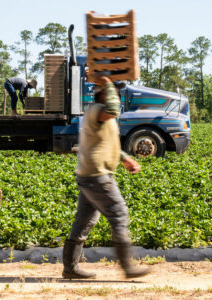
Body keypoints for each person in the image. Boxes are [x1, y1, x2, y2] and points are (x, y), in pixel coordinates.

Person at [62, 75, 151, 279]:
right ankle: (128, 267)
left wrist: (124, 158)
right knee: (119, 214)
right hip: (97, 176)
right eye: (114, 93)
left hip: (90, 175)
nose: (117, 97)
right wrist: (109, 84)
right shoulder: (98, 111)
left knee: (84, 221)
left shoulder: (103, 116)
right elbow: (111, 109)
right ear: (103, 93)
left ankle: (70, 268)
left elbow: (105, 142)